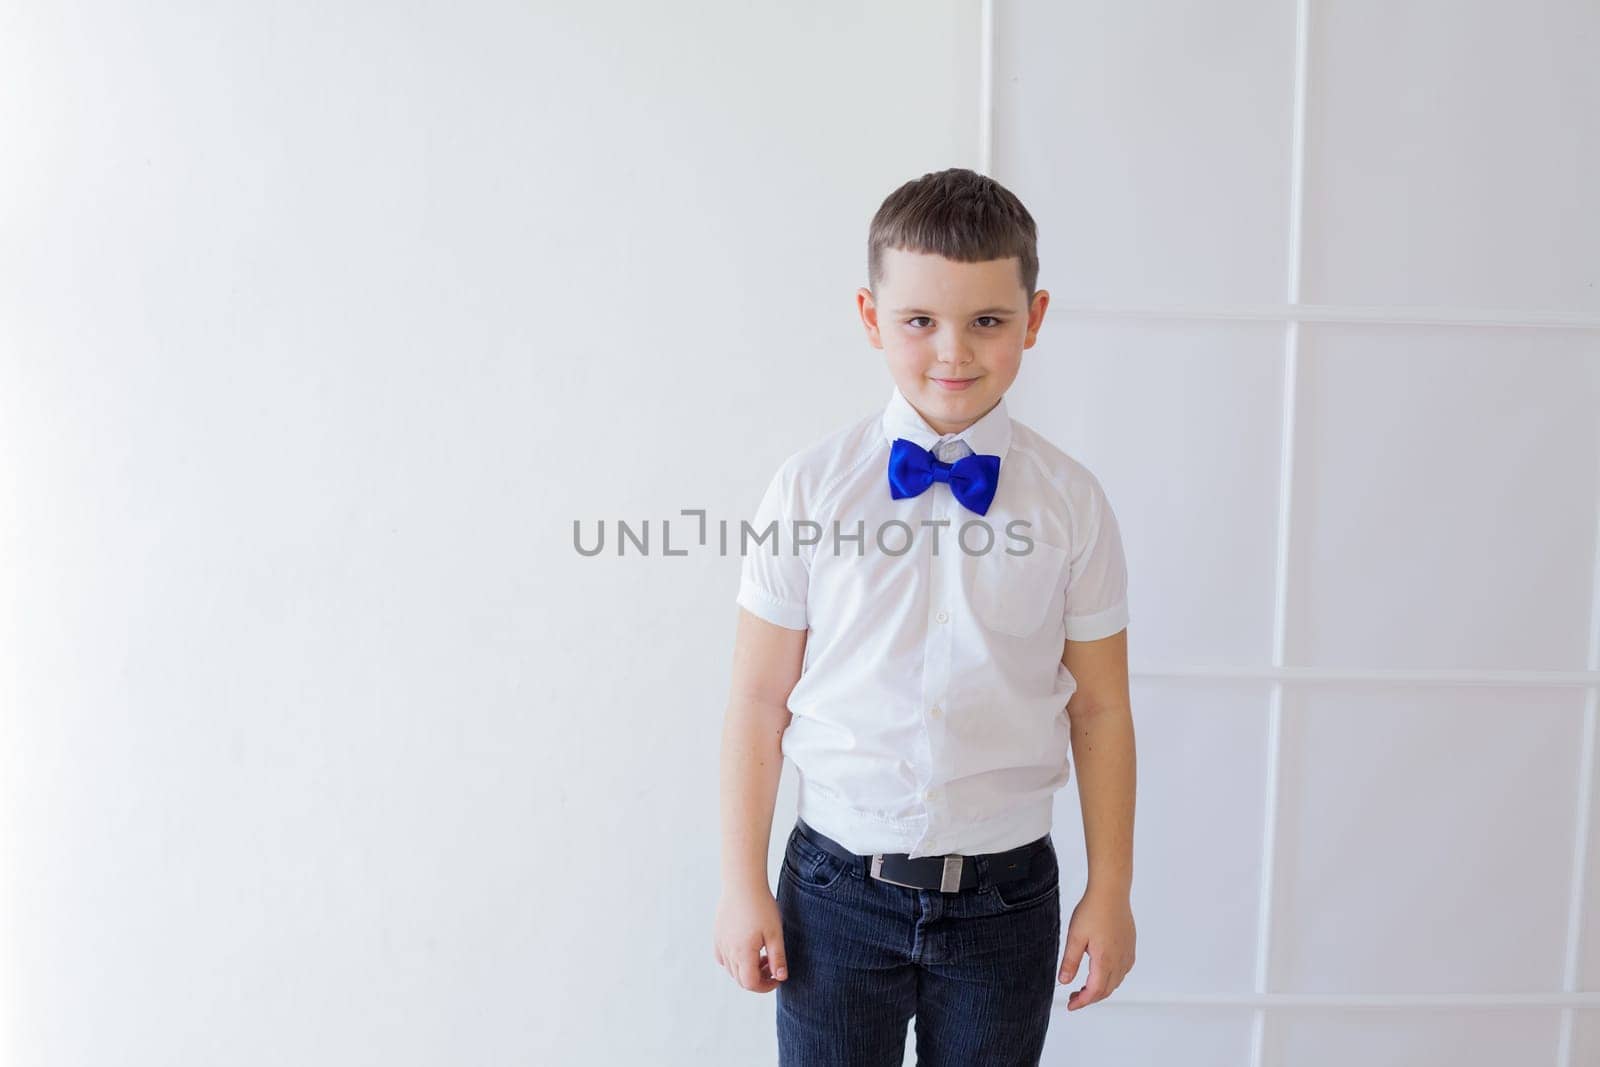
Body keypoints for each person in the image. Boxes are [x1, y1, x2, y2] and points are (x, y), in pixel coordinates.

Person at [713, 167, 1137, 1066]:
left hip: (1008, 900)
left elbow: (1100, 708)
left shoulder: (1071, 502)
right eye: (920, 321)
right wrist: (740, 883)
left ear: (1035, 316)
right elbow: (757, 700)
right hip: (834, 892)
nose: (954, 350)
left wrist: (1113, 888)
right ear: (871, 317)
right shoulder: (810, 488)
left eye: (988, 319)